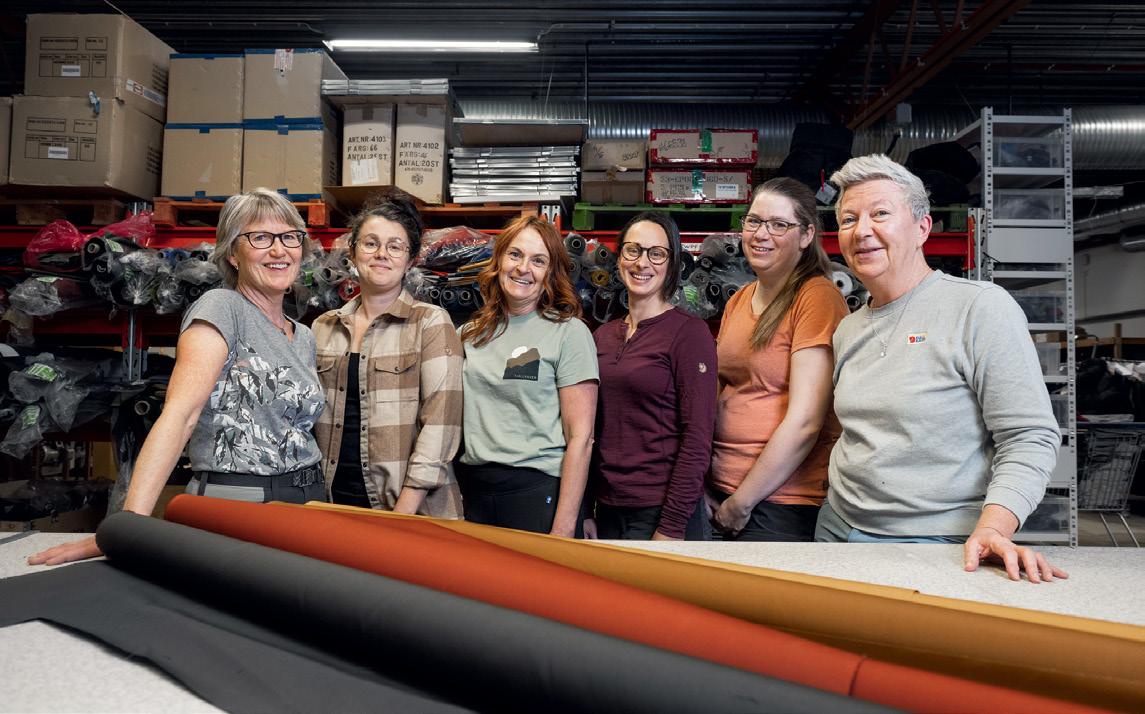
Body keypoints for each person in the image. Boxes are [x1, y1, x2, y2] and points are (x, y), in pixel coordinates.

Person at [30, 188, 326, 565]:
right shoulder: (222, 309)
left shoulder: (303, 336)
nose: (279, 250)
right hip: (241, 505)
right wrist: (128, 524)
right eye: (260, 237)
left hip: (308, 502)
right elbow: (180, 415)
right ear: (232, 253)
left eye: (289, 237)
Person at [820, 153, 1067, 584]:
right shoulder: (848, 328)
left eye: (880, 214)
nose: (862, 231)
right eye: (848, 219)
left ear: (922, 228)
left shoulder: (979, 308)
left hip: (936, 542)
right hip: (836, 527)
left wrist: (995, 528)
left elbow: (1030, 435)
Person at [707, 177, 849, 541]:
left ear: (806, 235)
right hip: (722, 491)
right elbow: (722, 390)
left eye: (778, 225)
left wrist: (741, 502)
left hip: (778, 502)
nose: (760, 234)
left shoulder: (816, 298)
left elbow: (805, 422)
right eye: (754, 221)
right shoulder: (740, 300)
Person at [311, 193, 463, 517]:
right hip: (334, 504)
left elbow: (441, 425)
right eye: (371, 244)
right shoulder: (323, 327)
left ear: (410, 260)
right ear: (352, 252)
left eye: (395, 246)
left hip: (411, 511)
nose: (381, 254)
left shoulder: (430, 323)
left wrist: (401, 515)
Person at [458, 215, 597, 537]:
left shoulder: (568, 333)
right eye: (515, 254)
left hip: (537, 493)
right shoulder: (467, 334)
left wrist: (563, 528)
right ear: (499, 260)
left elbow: (581, 439)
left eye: (538, 261)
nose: (523, 268)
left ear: (550, 273)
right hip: (474, 492)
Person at [587, 212, 716, 540]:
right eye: (633, 250)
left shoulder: (689, 334)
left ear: (671, 264)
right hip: (608, 510)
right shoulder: (602, 336)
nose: (642, 263)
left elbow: (697, 437)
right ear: (619, 258)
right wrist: (586, 510)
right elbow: (589, 429)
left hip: (661, 512)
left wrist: (671, 525)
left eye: (656, 253)